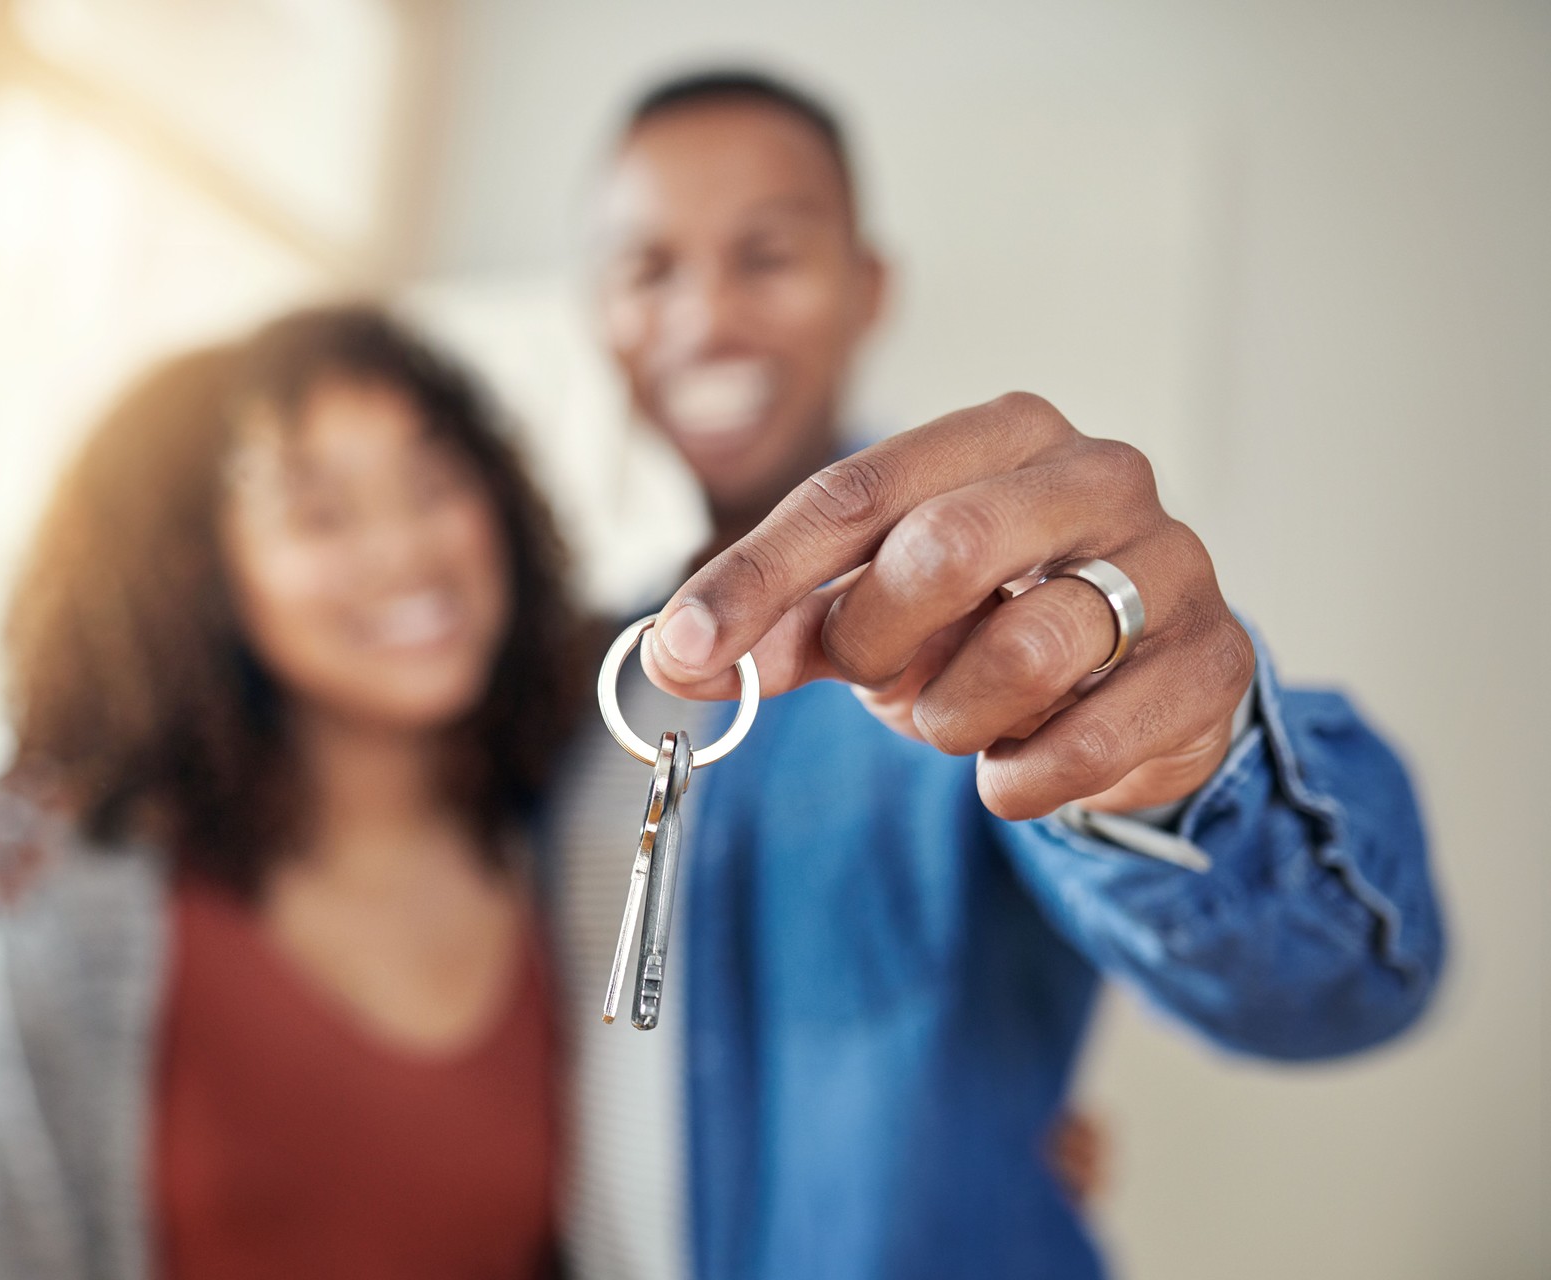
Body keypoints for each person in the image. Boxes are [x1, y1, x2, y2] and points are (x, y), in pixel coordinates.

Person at [547, 69, 1444, 1279]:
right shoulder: (554, 677)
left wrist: (1176, 762)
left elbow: (1342, 985)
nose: (706, 315)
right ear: (603, 309)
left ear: (868, 289)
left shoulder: (991, 609)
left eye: (765, 255)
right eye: (650, 268)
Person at [0, 305, 585, 1279]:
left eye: (432, 481)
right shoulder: (74, 905)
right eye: (321, 513)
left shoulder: (576, 833)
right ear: (204, 571)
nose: (403, 549)